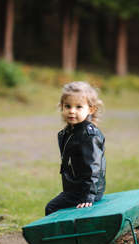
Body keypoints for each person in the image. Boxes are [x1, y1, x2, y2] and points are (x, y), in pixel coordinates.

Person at [45, 81, 106, 216]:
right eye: (68, 106)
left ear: (91, 109)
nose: (72, 111)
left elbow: (93, 167)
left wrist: (89, 195)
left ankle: (59, 237)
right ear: (62, 107)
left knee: (51, 208)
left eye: (78, 107)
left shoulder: (89, 136)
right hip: (74, 189)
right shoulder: (68, 132)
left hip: (86, 191)